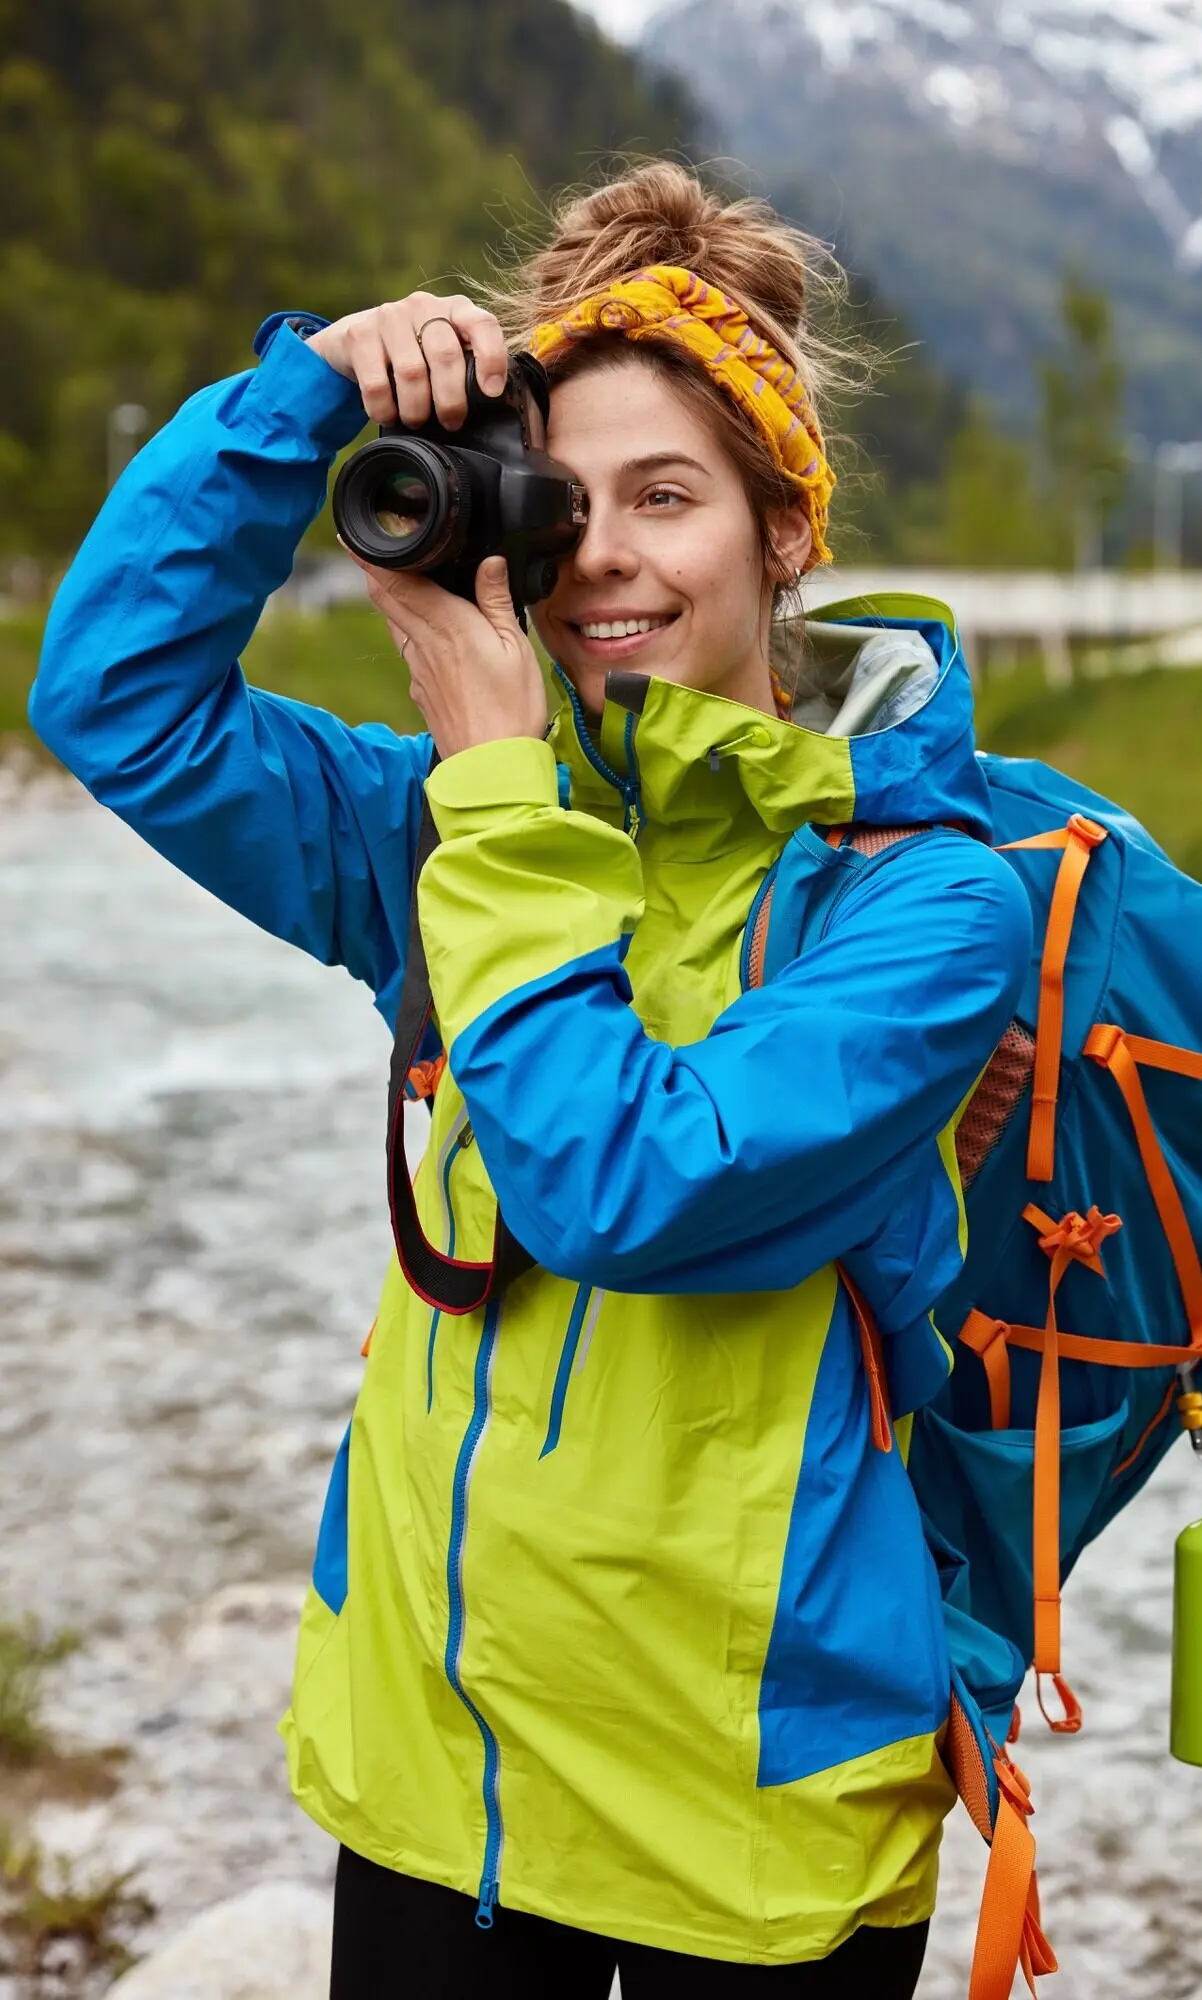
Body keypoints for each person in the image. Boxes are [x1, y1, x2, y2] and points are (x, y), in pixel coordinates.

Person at [30, 163, 1031, 1996]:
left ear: (783, 533)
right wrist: (306, 403)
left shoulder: (920, 902)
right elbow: (113, 695)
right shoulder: (433, 819)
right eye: (570, 501)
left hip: (745, 1826)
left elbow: (631, 1190)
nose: (610, 557)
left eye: (674, 498)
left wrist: (495, 791)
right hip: (437, 1778)